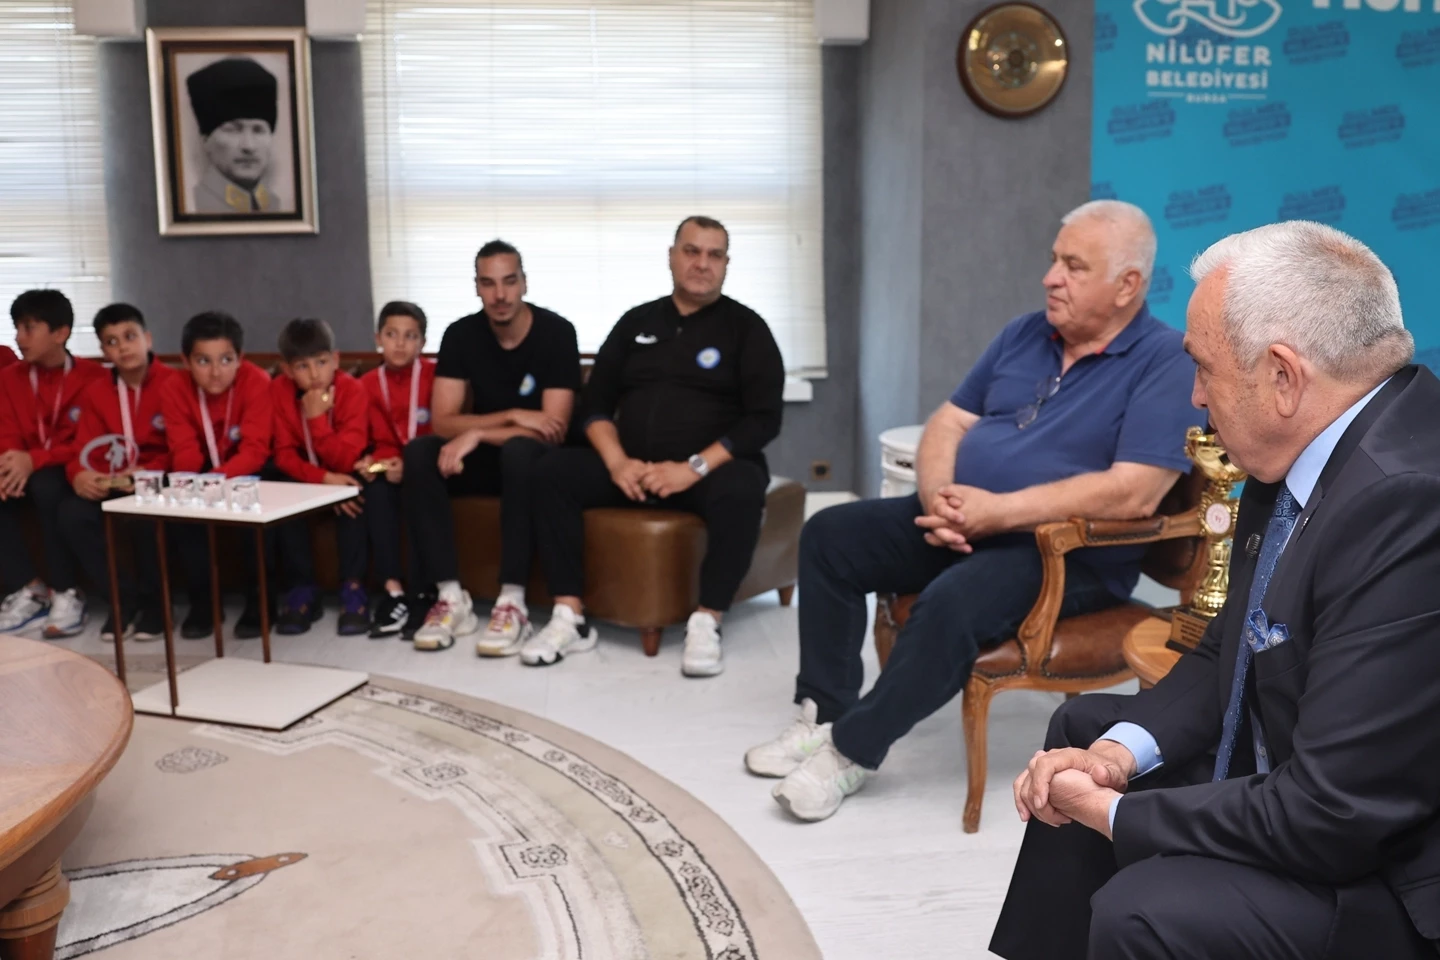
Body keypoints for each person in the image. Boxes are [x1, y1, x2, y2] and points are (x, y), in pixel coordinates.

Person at [989, 221, 1440, 960]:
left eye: (1203, 368)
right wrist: (1114, 760)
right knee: (1083, 733)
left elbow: (1333, 812)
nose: (1196, 396)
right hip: (1302, 776)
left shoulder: (1409, 503)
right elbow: (1227, 651)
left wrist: (1113, 814)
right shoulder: (1300, 447)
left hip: (1392, 874)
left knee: (1145, 910)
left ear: (1283, 377)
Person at [744, 201, 1200, 822]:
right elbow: (950, 420)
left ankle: (851, 749)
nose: (1051, 278)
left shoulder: (1166, 360)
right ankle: (822, 713)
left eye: (1073, 266)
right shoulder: (1024, 333)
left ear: (1127, 286)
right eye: (1054, 260)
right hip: (971, 521)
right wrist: (939, 497)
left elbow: (1134, 491)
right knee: (831, 535)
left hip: (1067, 554)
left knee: (952, 603)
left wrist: (997, 512)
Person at [524, 216, 785, 674]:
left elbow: (764, 420)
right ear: (671, 256)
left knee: (743, 485)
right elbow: (595, 405)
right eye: (691, 251)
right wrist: (617, 462)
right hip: (629, 470)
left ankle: (707, 619)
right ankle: (570, 615)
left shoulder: (748, 328)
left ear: (726, 264)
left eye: (714, 255)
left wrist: (692, 468)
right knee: (550, 472)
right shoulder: (636, 322)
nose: (702, 263)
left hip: (703, 473)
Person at [402, 240, 581, 653]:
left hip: (535, 463)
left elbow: (552, 429)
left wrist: (479, 433)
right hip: (484, 458)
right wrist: (513, 415)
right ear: (477, 287)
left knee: (519, 452)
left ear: (524, 283)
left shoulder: (557, 332)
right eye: (488, 284)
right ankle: (451, 598)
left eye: (509, 282)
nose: (500, 295)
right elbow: (443, 421)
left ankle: (511, 602)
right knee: (419, 453)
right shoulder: (461, 334)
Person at [60, 303, 179, 642]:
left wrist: (148, 472)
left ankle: (156, 605)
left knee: (144, 512)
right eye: (112, 342)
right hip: (113, 478)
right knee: (71, 514)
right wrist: (79, 474)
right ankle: (122, 599)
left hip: (158, 476)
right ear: (103, 350)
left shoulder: (174, 382)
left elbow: (183, 448)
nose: (123, 347)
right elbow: (83, 447)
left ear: (148, 339)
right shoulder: (97, 391)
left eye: (130, 336)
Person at [160, 310, 274, 638]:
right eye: (203, 361)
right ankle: (204, 602)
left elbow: (255, 450)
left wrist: (216, 479)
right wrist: (193, 487)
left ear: (240, 358)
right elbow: (184, 448)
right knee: (182, 511)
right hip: (200, 470)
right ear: (185, 361)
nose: (215, 372)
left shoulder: (256, 381)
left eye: (226, 360)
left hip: (248, 469)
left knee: (254, 502)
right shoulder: (173, 387)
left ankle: (260, 600)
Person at [0, 290, 105, 636]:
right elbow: (6, 430)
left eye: (29, 328)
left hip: (67, 467)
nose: (19, 337)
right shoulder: (9, 377)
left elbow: (86, 443)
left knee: (47, 486)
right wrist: (11, 465)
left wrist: (34, 460)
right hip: (24, 465)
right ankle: (27, 589)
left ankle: (66, 591)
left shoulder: (93, 377)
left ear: (60, 333)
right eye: (17, 327)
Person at [269, 318, 369, 635]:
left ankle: (353, 587)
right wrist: (324, 481)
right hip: (309, 478)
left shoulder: (352, 391)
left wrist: (316, 420)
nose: (314, 375)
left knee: (357, 491)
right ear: (287, 370)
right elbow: (284, 454)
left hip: (345, 473)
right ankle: (302, 589)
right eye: (303, 366)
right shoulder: (279, 391)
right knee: (280, 488)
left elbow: (347, 458)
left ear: (336, 360)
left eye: (322, 363)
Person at [358, 301, 436, 639]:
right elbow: (361, 439)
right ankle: (393, 592)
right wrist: (373, 463)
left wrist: (410, 463)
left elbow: (443, 429)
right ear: (378, 338)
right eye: (392, 335)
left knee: (422, 490)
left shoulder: (436, 376)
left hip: (427, 465)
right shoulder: (365, 383)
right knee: (375, 493)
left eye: (410, 336)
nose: (400, 344)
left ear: (423, 342)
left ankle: (423, 593)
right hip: (386, 467)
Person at [186, 57, 284, 214]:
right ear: (205, 140)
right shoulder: (192, 204)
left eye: (258, 130)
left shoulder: (278, 206)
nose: (248, 146)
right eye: (233, 130)